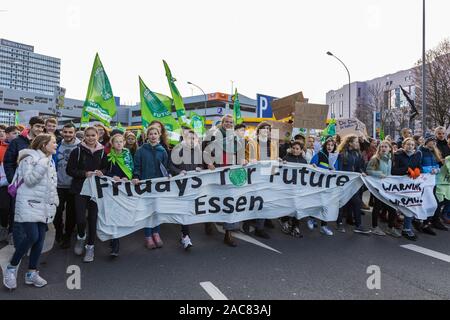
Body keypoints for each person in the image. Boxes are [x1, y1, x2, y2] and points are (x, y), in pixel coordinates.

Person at [2, 134, 58, 290]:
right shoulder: (30, 159)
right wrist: (42, 165)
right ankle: (11, 267)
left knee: (40, 239)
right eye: (53, 142)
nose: (56, 145)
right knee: (32, 236)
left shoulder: (49, 160)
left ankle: (31, 273)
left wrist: (55, 200)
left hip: (44, 205)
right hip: (28, 204)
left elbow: (51, 185)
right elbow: (29, 180)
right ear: (43, 144)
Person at [66, 126, 108, 263]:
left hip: (95, 190)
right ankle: (80, 237)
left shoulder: (103, 152)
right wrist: (84, 174)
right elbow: (70, 170)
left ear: (98, 136)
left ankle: (90, 246)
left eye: (93, 135)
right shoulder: (77, 151)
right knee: (80, 219)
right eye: (88, 135)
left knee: (93, 218)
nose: (90, 138)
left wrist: (102, 172)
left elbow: (106, 168)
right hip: (80, 189)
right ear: (84, 136)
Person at [3, 116, 45, 244]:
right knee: (19, 214)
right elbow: (8, 162)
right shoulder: (17, 142)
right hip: (21, 184)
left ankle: (30, 241)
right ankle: (17, 242)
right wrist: (12, 180)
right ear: (30, 126)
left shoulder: (43, 142)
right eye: (37, 126)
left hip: (37, 185)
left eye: (42, 127)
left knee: (34, 214)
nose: (40, 129)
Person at [203, 115, 243, 246]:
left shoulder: (236, 138)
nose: (228, 124)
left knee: (230, 201)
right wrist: (209, 163)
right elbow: (205, 151)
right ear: (222, 123)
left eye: (231, 122)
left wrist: (243, 160)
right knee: (214, 200)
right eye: (226, 122)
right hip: (216, 172)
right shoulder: (213, 135)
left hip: (231, 173)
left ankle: (228, 234)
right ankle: (208, 221)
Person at [132, 126, 168, 249]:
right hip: (145, 185)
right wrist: (136, 176)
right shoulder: (141, 150)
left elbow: (165, 167)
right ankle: (148, 235)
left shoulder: (162, 151)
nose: (153, 136)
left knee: (157, 210)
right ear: (147, 136)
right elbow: (136, 166)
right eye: (151, 134)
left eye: (155, 133)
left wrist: (168, 177)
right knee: (147, 211)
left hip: (158, 185)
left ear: (159, 135)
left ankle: (156, 233)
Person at [244, 121, 279, 239]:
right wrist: (251, 161)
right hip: (255, 176)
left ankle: (260, 226)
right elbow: (248, 158)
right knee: (253, 201)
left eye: (268, 129)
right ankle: (247, 222)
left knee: (265, 201)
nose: (267, 131)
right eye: (264, 129)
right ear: (259, 131)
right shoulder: (252, 143)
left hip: (268, 176)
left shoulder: (273, 144)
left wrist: (274, 172)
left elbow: (274, 159)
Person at [169, 129, 202, 250]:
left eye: (194, 138)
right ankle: (186, 236)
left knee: (189, 210)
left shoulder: (198, 151)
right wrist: (179, 172)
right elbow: (171, 165)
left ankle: (184, 233)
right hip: (181, 185)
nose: (192, 140)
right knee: (184, 210)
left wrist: (200, 168)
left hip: (193, 185)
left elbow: (202, 165)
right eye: (189, 138)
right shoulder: (178, 150)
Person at [106, 134, 134, 257]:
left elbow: (131, 169)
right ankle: (114, 242)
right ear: (112, 143)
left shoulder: (128, 155)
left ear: (124, 143)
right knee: (112, 214)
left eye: (121, 141)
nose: (119, 144)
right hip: (111, 188)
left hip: (124, 187)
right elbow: (105, 170)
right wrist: (113, 176)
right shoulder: (108, 155)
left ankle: (117, 237)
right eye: (116, 142)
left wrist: (127, 177)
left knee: (121, 213)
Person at [336, 135, 371, 234]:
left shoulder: (357, 154)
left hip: (353, 183)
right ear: (350, 143)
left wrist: (362, 171)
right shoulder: (342, 154)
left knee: (357, 203)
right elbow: (339, 169)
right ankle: (339, 223)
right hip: (343, 183)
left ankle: (358, 225)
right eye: (355, 142)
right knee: (341, 203)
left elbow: (359, 167)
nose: (357, 144)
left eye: (357, 142)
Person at [366, 141, 401, 238]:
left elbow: (389, 174)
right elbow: (368, 170)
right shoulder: (375, 159)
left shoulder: (389, 160)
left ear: (390, 149)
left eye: (386, 147)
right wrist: (379, 174)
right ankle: (375, 227)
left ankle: (390, 228)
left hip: (386, 188)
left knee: (392, 208)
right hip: (377, 187)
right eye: (381, 147)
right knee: (377, 207)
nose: (383, 148)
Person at [53, 123, 80, 249]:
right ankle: (59, 231)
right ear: (62, 132)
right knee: (57, 213)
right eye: (65, 132)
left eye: (70, 132)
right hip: (58, 185)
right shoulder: (56, 144)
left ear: (74, 133)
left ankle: (67, 236)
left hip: (73, 185)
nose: (68, 134)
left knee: (71, 213)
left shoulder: (80, 147)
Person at [391, 137, 421, 240]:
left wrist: (417, 170)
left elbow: (418, 166)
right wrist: (406, 170)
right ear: (403, 145)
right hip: (399, 185)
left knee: (410, 205)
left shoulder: (417, 155)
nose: (410, 146)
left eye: (412, 145)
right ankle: (392, 225)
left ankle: (407, 228)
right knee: (397, 206)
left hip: (411, 186)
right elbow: (393, 170)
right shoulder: (398, 155)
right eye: (408, 144)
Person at [417, 134, 448, 232]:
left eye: (435, 141)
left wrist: (437, 169)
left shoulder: (435, 152)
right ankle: (420, 222)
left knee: (433, 203)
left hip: (432, 182)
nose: (434, 142)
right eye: (432, 140)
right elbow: (417, 166)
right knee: (424, 202)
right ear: (427, 141)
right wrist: (428, 170)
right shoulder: (420, 151)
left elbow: (438, 165)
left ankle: (428, 222)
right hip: (423, 182)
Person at [279, 141, 308, 238]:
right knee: (287, 206)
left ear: (301, 151)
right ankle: (285, 221)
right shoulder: (286, 158)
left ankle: (295, 226)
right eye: (293, 148)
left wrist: (313, 168)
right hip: (288, 188)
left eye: (297, 149)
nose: (295, 150)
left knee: (297, 207)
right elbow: (277, 171)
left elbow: (308, 174)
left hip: (299, 189)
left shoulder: (304, 161)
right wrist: (281, 164)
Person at [0, 125, 10, 242]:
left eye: (3, 132)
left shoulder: (11, 146)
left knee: (5, 207)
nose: (1, 134)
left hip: (7, 182)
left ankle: (7, 228)